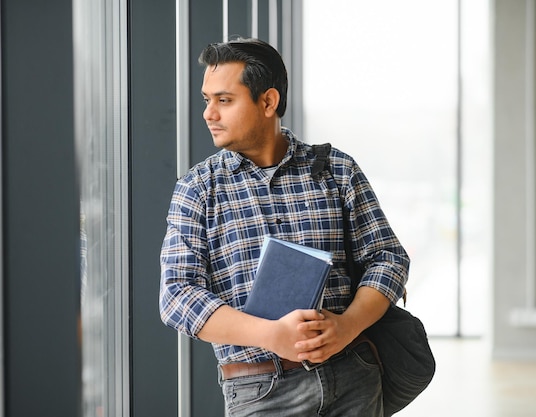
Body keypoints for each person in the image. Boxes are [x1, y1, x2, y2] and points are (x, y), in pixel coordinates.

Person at [159, 37, 409, 417]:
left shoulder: (337, 170)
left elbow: (388, 258)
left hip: (353, 376)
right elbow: (177, 296)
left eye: (224, 100)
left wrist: (346, 326)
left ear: (268, 101)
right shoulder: (198, 189)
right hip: (259, 390)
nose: (209, 113)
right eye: (207, 100)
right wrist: (271, 335)